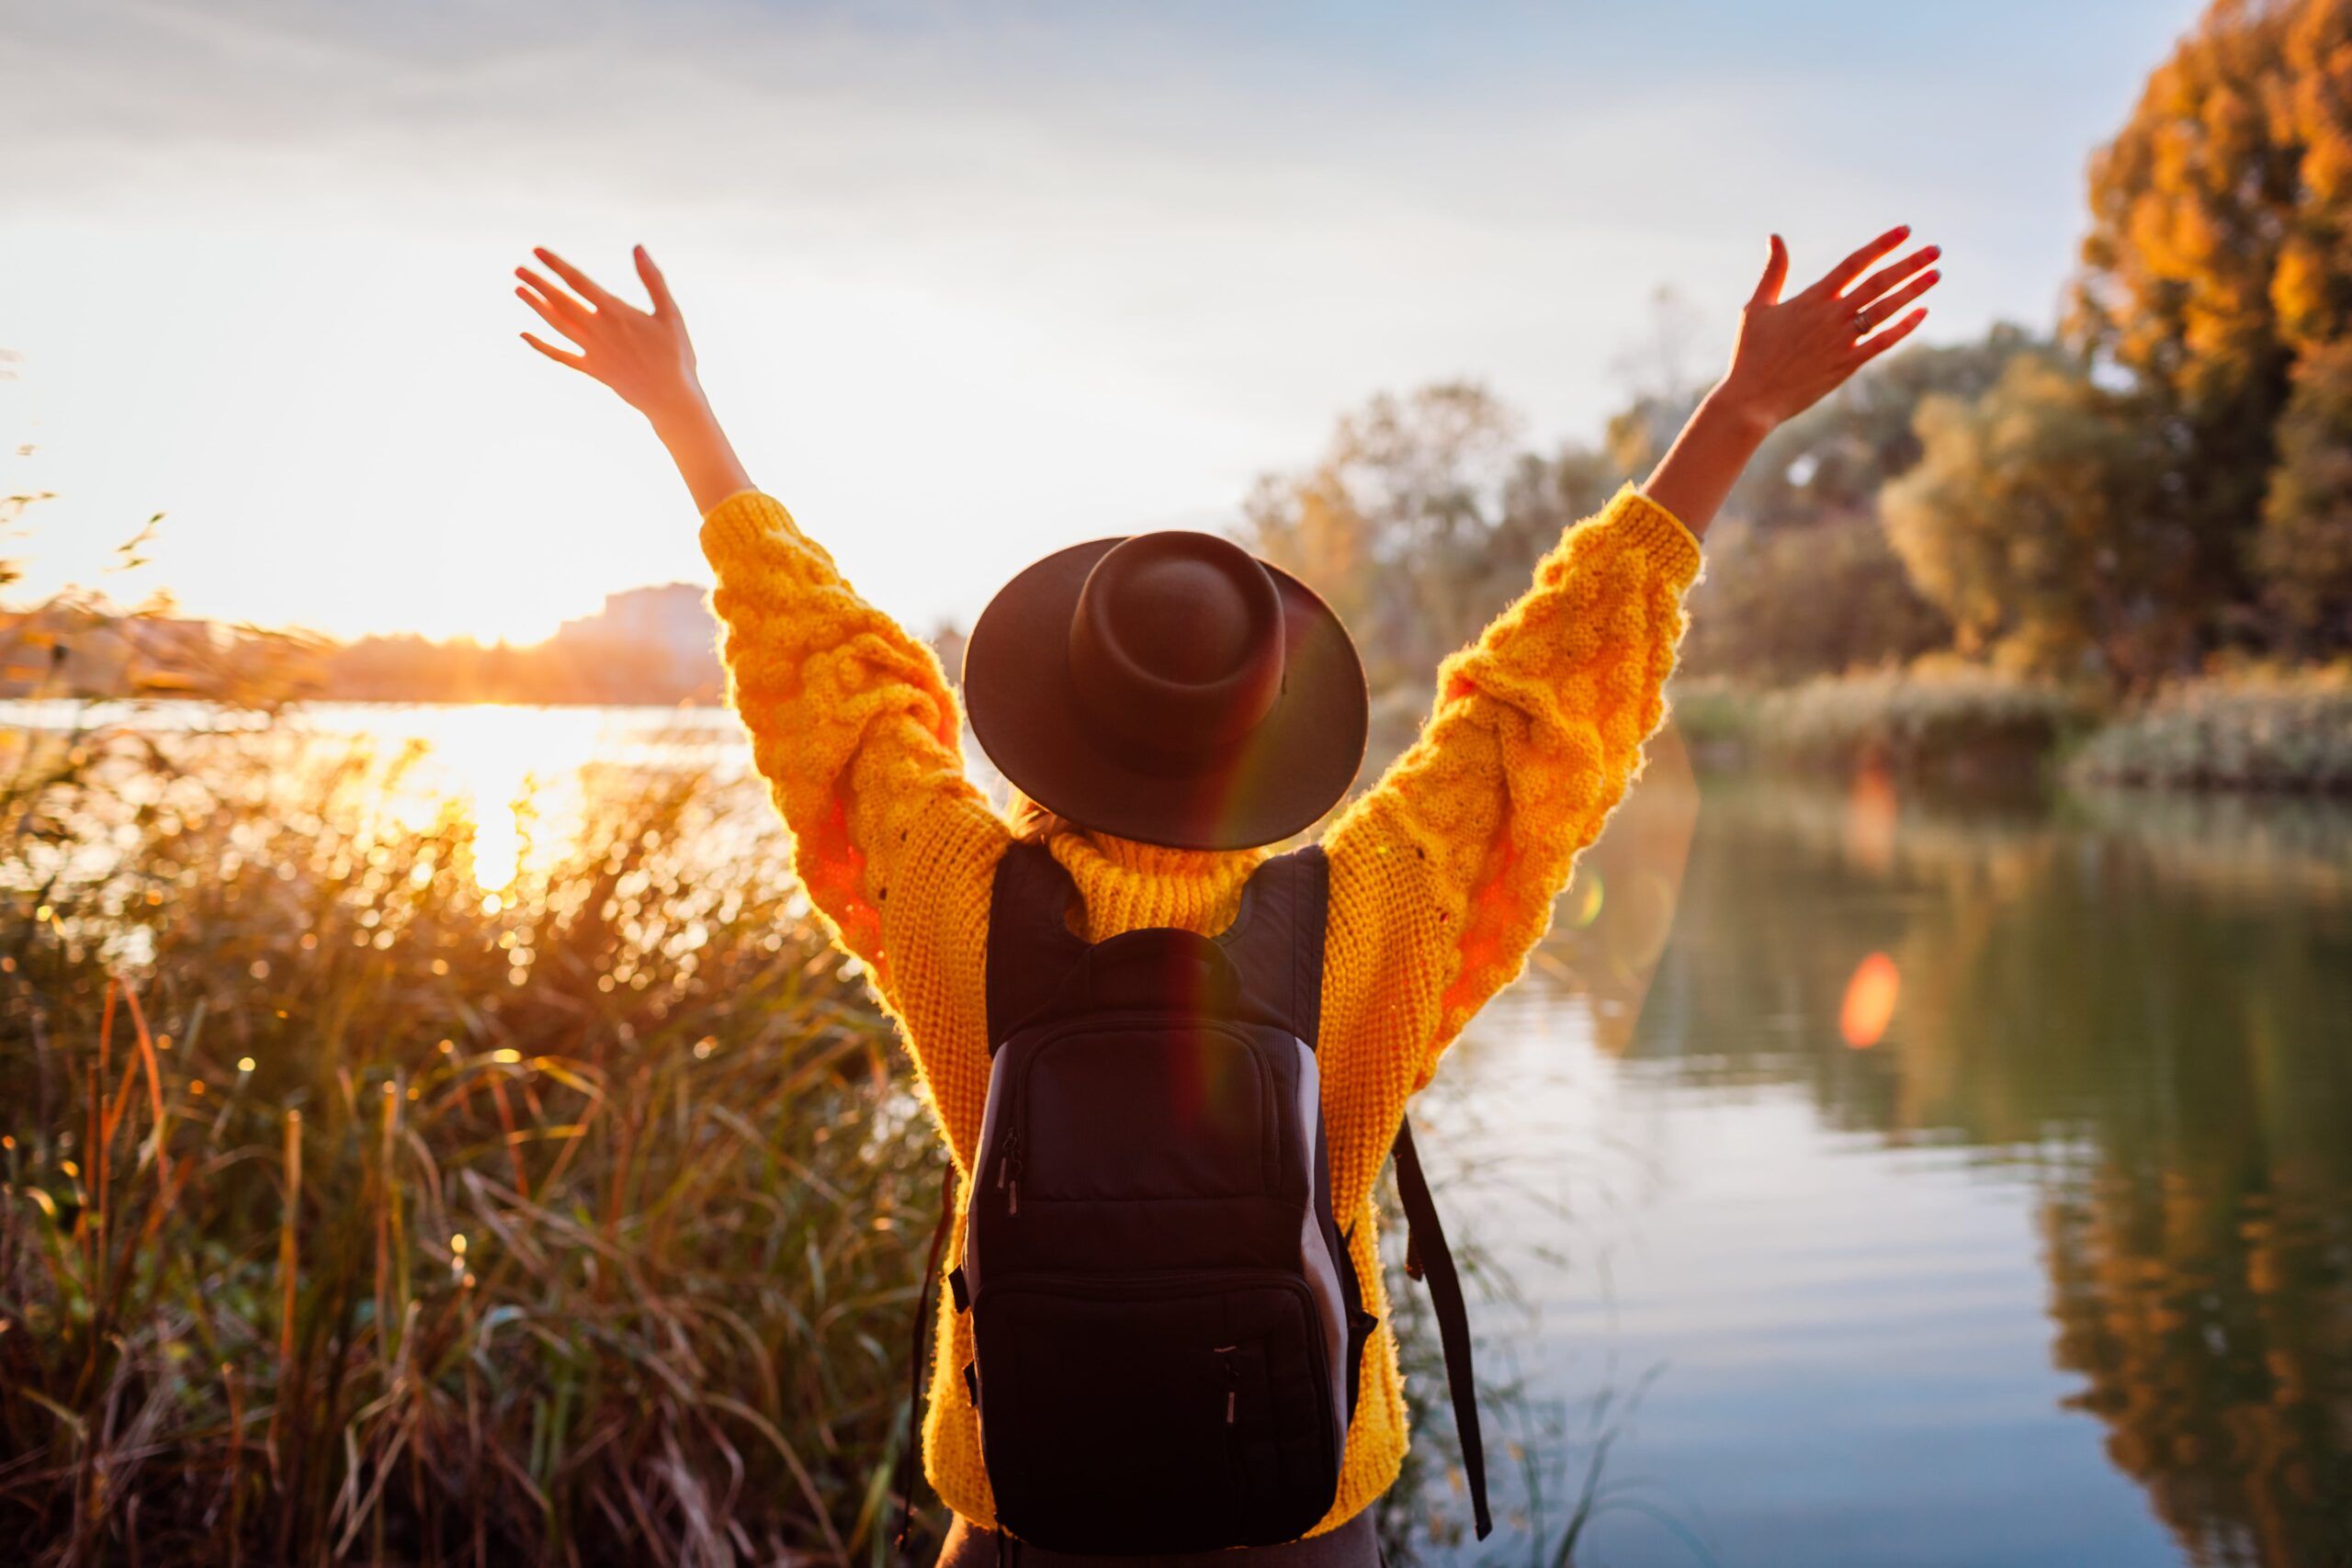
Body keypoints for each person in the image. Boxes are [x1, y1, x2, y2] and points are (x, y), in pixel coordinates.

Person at [514, 226, 1939, 1564]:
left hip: (1026, 1514)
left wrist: (686, 418)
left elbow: (817, 665)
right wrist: (1735, 419)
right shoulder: (1369, 908)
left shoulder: (953, 890)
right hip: (1301, 1523)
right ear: (1265, 742)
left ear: (1052, 711)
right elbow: (1538, 703)